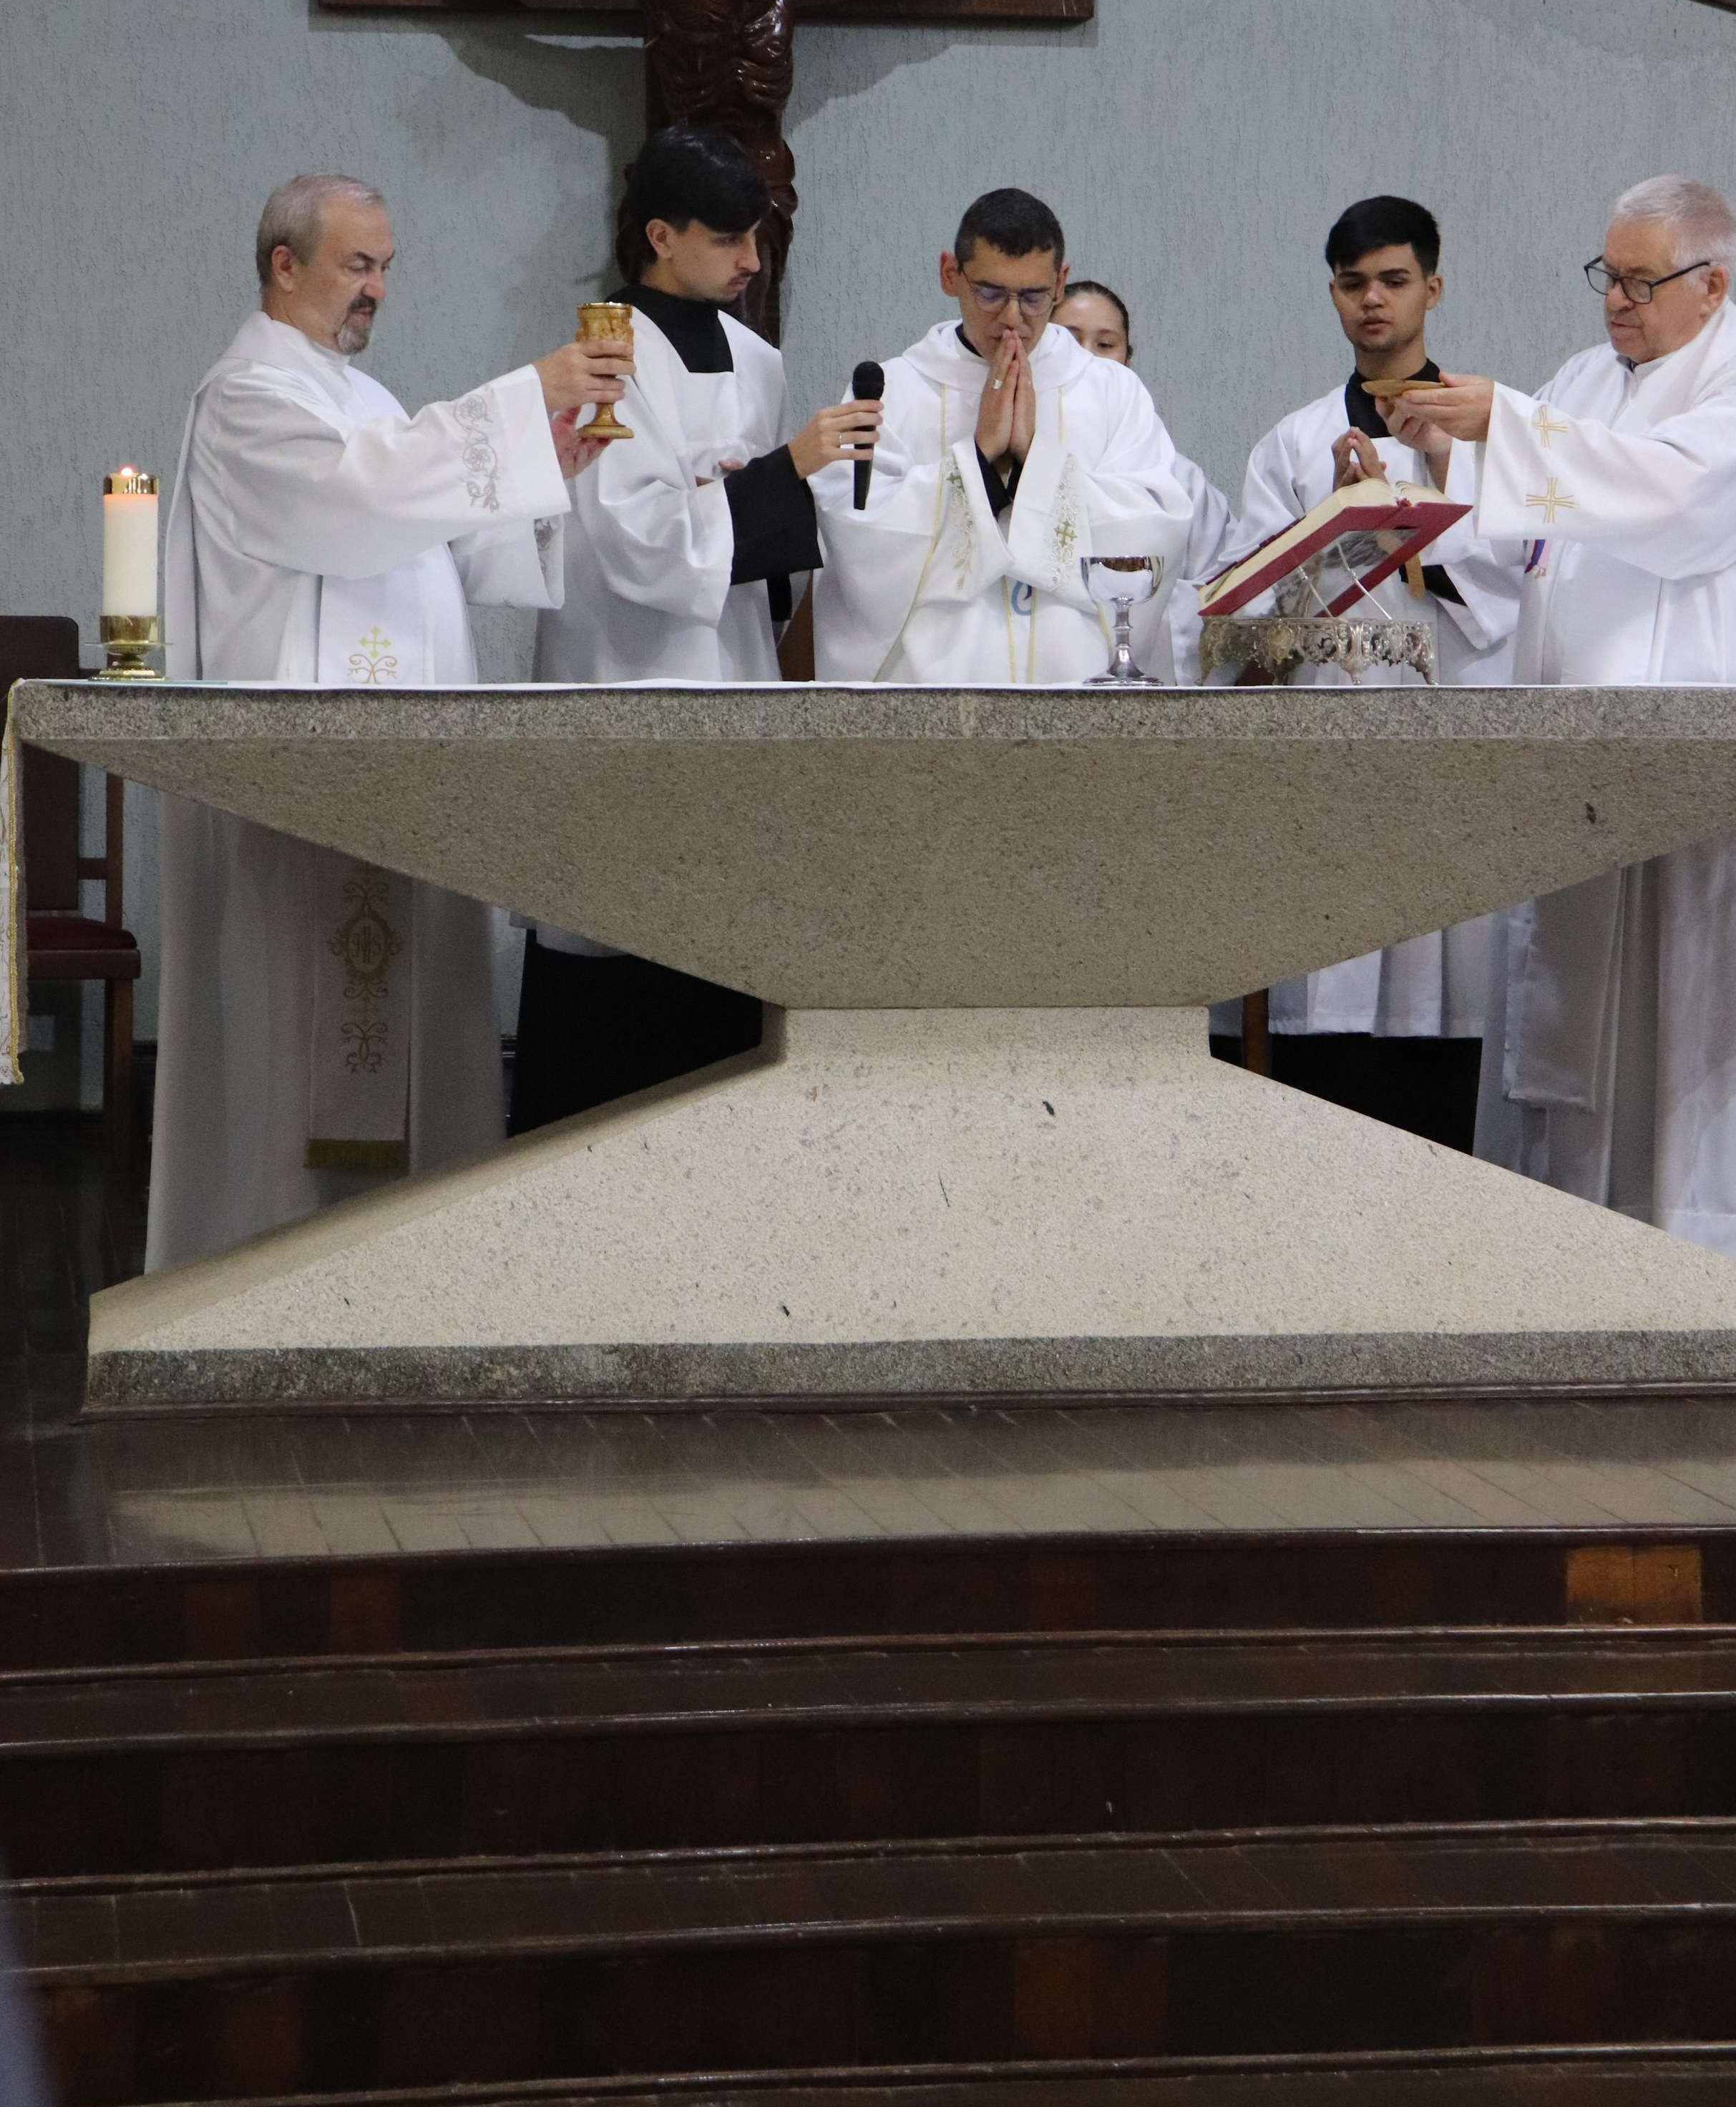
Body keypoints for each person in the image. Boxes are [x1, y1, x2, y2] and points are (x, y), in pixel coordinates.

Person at [147, 174, 631, 1270]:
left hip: (407, 784)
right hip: (304, 790)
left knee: (411, 1029)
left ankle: (418, 1268)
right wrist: (522, 397)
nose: (376, 290)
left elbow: (446, 541)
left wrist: (542, 466)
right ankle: (278, 1268)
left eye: (386, 268)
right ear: (284, 263)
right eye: (357, 265)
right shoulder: (248, 397)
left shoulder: (362, 402)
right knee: (297, 1032)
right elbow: (359, 507)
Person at [1386, 175, 1736, 1272]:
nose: (1615, 302)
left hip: (1693, 782)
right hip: (1572, 767)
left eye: (1640, 281)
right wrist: (1447, 469)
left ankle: (1685, 1280)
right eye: (1607, 276)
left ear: (1712, 284)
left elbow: (1669, 506)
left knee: (1678, 1046)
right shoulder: (1588, 380)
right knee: (1558, 1021)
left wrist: (1515, 433)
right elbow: (1524, 548)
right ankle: (1544, 1266)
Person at [509, 126, 879, 1130]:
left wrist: (824, 494)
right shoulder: (603, 358)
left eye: (757, 236)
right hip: (625, 673)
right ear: (661, 236)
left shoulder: (759, 361)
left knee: (723, 929)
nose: (753, 261)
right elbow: (637, 542)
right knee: (619, 929)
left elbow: (755, 543)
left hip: (734, 669)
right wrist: (784, 472)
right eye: (729, 238)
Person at [1218, 196, 1522, 1047]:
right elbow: (1250, 617)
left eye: (1394, 280)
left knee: (1449, 1015)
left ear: (1433, 287)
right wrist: (1330, 533)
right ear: (1333, 295)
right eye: (1354, 284)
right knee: (1332, 1019)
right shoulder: (1291, 445)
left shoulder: (1491, 435)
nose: (1373, 300)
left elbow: (1514, 598)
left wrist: (1402, 518)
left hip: (1447, 746)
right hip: (1328, 749)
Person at [811, 191, 1191, 683]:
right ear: (951, 274)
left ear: (1060, 282)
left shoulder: (1112, 391)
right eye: (991, 293)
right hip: (936, 685)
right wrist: (978, 459)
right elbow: (859, 534)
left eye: (1033, 297)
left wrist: (1036, 459)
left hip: (1074, 680)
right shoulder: (895, 390)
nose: (1013, 317)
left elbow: (1156, 523)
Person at [1051, 277, 1234, 681]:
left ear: (1128, 361)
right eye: (1069, 340)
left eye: (1105, 345)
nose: (1089, 360)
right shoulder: (1020, 463)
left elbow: (1221, 597)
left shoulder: (1180, 482)